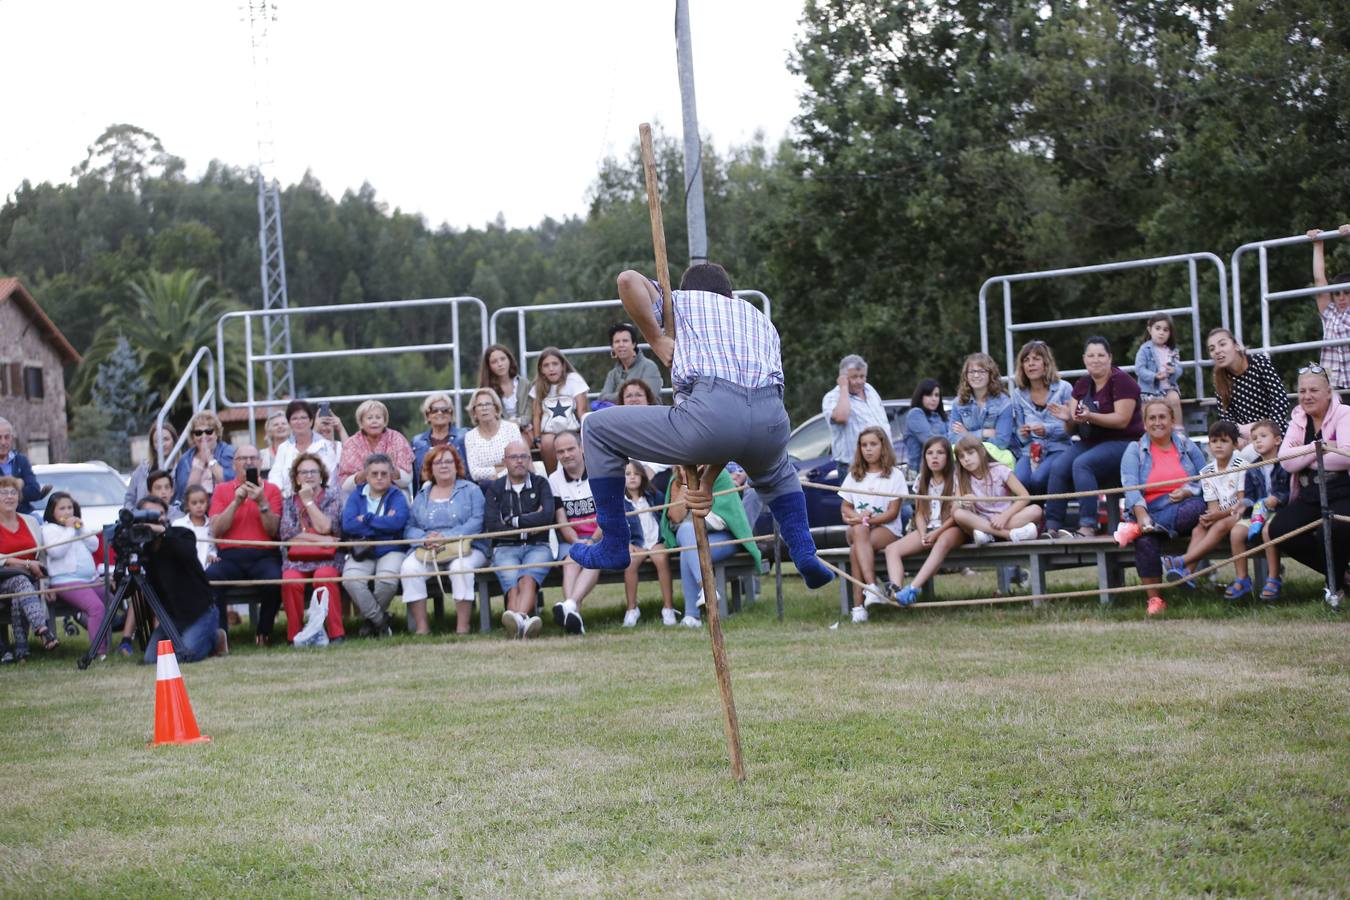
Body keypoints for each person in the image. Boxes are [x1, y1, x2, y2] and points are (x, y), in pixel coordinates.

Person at [569, 263, 834, 593]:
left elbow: (627, 281)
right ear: (729, 293)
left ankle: (614, 542)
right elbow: (740, 427)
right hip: (770, 419)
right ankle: (806, 552)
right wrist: (706, 482)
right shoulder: (760, 320)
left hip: (712, 413)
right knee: (778, 475)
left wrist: (655, 338)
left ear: (688, 290)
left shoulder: (680, 302)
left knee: (595, 428)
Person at [1046, 336, 1144, 537]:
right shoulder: (1082, 384)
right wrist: (1068, 419)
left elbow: (1122, 420)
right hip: (1091, 442)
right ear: (1084, 359)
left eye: (1100, 355)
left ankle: (1087, 525)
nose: (1095, 359)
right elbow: (1072, 430)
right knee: (1058, 466)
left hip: (1124, 442)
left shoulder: (1123, 381)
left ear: (1110, 358)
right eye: (1091, 355)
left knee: (1083, 464)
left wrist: (1091, 416)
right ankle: (1052, 526)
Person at [1121, 399, 1209, 617]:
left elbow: (1208, 477)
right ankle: (1155, 600)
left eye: (1162, 417)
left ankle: (1149, 527)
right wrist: (1141, 517)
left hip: (1184, 508)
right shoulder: (1135, 450)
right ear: (1144, 423)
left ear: (1172, 420)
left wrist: (1189, 490)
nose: (1157, 422)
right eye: (1152, 418)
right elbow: (1130, 486)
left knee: (1198, 506)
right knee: (1145, 540)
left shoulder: (1188, 447)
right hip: (1148, 511)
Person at [1269, 365, 1350, 599]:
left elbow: (1345, 456)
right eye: (1302, 391)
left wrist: (1305, 457)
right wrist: (1322, 449)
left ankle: (1333, 588)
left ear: (1328, 392)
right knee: (1280, 530)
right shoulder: (1298, 418)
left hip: (1343, 490)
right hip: (1309, 493)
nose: (1307, 396)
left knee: (1337, 527)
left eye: (1313, 390)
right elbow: (1286, 461)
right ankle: (1342, 576)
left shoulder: (1344, 413)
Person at [398, 445, 486, 636]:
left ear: (457, 465)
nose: (444, 466)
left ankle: (463, 627)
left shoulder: (472, 490)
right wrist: (424, 539)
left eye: (448, 461)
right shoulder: (422, 496)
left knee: (460, 567)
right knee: (409, 568)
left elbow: (477, 521)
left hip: (467, 547)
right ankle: (422, 628)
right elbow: (410, 527)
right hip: (430, 548)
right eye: (438, 462)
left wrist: (447, 537)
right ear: (430, 468)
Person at [659, 464, 760, 628]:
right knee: (687, 538)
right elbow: (675, 518)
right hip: (691, 539)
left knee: (688, 547)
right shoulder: (676, 480)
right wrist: (686, 482)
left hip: (725, 537)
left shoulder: (720, 475)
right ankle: (707, 590)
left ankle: (693, 615)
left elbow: (729, 514)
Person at [205, 445, 284, 646]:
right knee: (211, 577)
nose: (248, 463)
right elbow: (217, 530)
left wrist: (262, 503)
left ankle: (263, 632)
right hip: (230, 555)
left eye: (253, 458)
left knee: (275, 580)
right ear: (234, 464)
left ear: (260, 463)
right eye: (243, 459)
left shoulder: (272, 490)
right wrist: (236, 502)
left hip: (264, 555)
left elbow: (274, 531)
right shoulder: (222, 490)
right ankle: (220, 636)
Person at [132, 496, 227, 663]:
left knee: (185, 656)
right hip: (172, 617)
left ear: (166, 516)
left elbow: (186, 553)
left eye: (159, 513)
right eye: (149, 515)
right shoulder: (144, 549)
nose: (155, 519)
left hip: (200, 611)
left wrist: (162, 532)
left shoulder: (182, 534)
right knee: (151, 660)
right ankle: (197, 638)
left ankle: (215, 639)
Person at [1161, 421, 1248, 592]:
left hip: (1243, 513)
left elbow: (1241, 502)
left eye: (1224, 441)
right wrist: (1210, 517)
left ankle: (1181, 561)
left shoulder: (1242, 466)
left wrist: (1217, 516)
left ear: (1235, 444)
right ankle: (1187, 574)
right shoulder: (1207, 472)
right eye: (1214, 441)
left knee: (1220, 524)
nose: (1218, 446)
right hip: (1223, 515)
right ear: (1209, 445)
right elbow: (1213, 505)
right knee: (1199, 528)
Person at [482, 440, 552, 639]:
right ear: (505, 461)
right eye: (514, 457)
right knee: (512, 585)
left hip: (538, 545)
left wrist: (512, 521)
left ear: (530, 459)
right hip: (505, 547)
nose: (519, 461)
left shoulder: (541, 484)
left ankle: (517, 621)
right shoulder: (495, 489)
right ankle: (523, 623)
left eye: (523, 456)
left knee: (528, 579)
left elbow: (547, 516)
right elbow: (493, 525)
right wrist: (530, 524)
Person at [884, 436, 963, 607]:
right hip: (928, 528)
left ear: (948, 457)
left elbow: (956, 515)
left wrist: (936, 533)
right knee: (892, 549)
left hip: (952, 527)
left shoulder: (957, 478)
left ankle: (913, 589)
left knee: (941, 542)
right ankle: (896, 590)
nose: (934, 457)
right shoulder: (922, 479)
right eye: (930, 453)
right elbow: (919, 512)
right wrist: (922, 534)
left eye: (940, 453)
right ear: (924, 457)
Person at [839, 426, 907, 623]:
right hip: (858, 528)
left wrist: (866, 520)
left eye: (873, 444)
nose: (868, 449)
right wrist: (858, 517)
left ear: (883, 446)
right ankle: (872, 587)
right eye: (864, 445)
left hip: (887, 530)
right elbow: (845, 507)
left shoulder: (894, 475)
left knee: (855, 550)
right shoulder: (854, 475)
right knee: (859, 531)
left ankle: (858, 608)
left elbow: (893, 513)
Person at [278, 453, 346, 645]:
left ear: (322, 475)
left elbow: (327, 526)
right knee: (290, 580)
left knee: (324, 577)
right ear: (296, 477)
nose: (309, 476)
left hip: (328, 558)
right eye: (304, 472)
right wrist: (320, 538)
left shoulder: (333, 497)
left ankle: (336, 633)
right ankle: (295, 636)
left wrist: (308, 502)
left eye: (313, 471)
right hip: (296, 559)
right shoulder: (289, 502)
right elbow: (287, 534)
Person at [340, 453, 409, 637]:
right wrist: (382, 523)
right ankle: (380, 621)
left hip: (391, 549)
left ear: (391, 475)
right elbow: (348, 524)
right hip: (363, 550)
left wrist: (367, 519)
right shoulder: (356, 495)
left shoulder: (398, 496)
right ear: (366, 475)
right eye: (374, 473)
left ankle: (369, 623)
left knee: (386, 582)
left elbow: (397, 523)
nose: (379, 478)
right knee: (351, 580)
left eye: (384, 474)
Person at [1228, 419, 1290, 602]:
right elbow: (1249, 495)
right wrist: (1242, 504)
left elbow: (1291, 491)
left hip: (1280, 512)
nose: (1258, 441)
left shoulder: (1286, 464)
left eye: (1263, 436)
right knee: (1236, 532)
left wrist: (1278, 499)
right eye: (1254, 439)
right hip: (1258, 512)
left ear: (1277, 440)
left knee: (1267, 531)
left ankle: (1273, 577)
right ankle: (1242, 578)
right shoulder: (1252, 468)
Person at [40, 492, 108, 655]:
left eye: (70, 507)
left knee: (112, 602)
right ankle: (99, 651)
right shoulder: (49, 529)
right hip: (65, 580)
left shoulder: (78, 528)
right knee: (96, 607)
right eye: (62, 508)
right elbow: (56, 551)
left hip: (90, 579)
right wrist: (70, 530)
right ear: (52, 511)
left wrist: (81, 528)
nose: (67, 512)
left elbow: (93, 545)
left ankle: (109, 639)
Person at [0, 476, 59, 658]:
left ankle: (21, 650)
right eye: (3, 493)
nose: (9, 497)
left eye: (13, 492)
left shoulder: (31, 522)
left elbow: (42, 556)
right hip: (2, 580)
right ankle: (42, 629)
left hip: (31, 581)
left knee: (22, 588)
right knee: (20, 581)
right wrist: (25, 564)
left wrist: (47, 584)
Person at [1009, 340, 1075, 503]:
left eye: (1036, 359)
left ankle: (1040, 518)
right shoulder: (1018, 394)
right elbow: (1019, 434)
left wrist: (1047, 430)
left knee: (1038, 479)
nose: (1031, 364)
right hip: (1030, 450)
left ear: (1046, 363)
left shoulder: (1064, 388)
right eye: (1026, 360)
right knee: (1020, 481)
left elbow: (1073, 427)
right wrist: (1023, 433)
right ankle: (1029, 521)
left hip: (1058, 448)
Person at [548, 430, 600, 634]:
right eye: (560, 451)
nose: (566, 455)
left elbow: (608, 516)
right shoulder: (554, 479)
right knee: (572, 559)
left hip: (600, 537)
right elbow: (562, 520)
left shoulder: (598, 471)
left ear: (581, 448)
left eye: (570, 449)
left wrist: (592, 540)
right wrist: (577, 541)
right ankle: (573, 610)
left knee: (593, 558)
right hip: (572, 540)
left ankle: (570, 606)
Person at [1207, 328, 1292, 449]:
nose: (1217, 351)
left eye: (1222, 344)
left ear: (1236, 345)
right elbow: (1226, 417)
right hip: (1244, 437)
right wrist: (1238, 437)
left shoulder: (1259, 363)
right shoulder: (1220, 378)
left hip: (1273, 430)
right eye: (1212, 348)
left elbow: (1280, 400)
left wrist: (1266, 432)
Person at [951, 435, 1042, 545]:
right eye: (961, 456)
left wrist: (1004, 516)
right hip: (981, 521)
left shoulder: (1000, 470)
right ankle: (1010, 535)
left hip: (1005, 519)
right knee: (959, 514)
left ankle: (989, 535)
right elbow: (954, 510)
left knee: (1036, 510)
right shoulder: (961, 477)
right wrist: (962, 502)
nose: (966, 459)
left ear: (982, 452)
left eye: (970, 453)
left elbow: (1025, 496)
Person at [620, 460, 675, 626]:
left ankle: (668, 608)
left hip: (655, 540)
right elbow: (616, 526)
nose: (632, 478)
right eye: (628, 474)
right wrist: (626, 543)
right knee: (629, 564)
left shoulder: (653, 495)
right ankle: (632, 609)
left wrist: (665, 538)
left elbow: (665, 515)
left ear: (643, 476)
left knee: (661, 559)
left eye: (636, 474)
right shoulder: (620, 502)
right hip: (636, 543)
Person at [822, 354, 889, 477]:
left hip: (882, 462)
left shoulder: (870, 390)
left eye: (862, 376)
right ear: (843, 377)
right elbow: (841, 417)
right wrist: (843, 388)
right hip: (853, 466)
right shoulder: (832, 397)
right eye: (854, 377)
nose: (859, 381)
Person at [531, 347, 590, 473]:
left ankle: (580, 474)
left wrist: (585, 433)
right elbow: (536, 415)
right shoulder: (538, 386)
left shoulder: (573, 380)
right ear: (541, 370)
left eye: (555, 364)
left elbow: (582, 410)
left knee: (573, 441)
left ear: (563, 366)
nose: (551, 368)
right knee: (546, 442)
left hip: (572, 428)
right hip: (550, 431)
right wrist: (537, 438)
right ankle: (553, 477)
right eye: (546, 365)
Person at [336, 400, 414, 493]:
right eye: (369, 418)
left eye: (378, 417)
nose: (374, 421)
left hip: (394, 492)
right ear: (361, 423)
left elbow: (407, 479)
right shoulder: (351, 443)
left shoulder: (397, 438)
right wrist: (365, 473)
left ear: (385, 421)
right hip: (361, 494)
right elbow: (345, 486)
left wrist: (389, 470)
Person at [268, 400, 341, 498]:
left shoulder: (326, 446)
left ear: (311, 421)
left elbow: (330, 480)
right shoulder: (284, 448)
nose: (299, 422)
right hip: (289, 502)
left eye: (303, 418)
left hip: (321, 502)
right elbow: (275, 478)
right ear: (289, 423)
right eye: (294, 418)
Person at [1307, 225, 1350, 389]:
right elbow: (1319, 279)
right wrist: (1318, 244)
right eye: (1337, 293)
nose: (1341, 297)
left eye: (1346, 293)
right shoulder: (1329, 312)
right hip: (1333, 384)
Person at [948, 353, 1013, 453]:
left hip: (995, 459)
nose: (976, 375)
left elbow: (1002, 442)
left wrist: (967, 435)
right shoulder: (958, 403)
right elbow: (953, 439)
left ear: (991, 374)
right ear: (966, 375)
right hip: (967, 458)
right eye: (972, 371)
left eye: (981, 371)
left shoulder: (1004, 403)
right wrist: (984, 433)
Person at [173, 410, 235, 507]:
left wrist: (210, 459)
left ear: (217, 433)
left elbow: (228, 483)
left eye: (209, 431)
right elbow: (185, 493)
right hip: (193, 508)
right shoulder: (185, 459)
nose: (204, 436)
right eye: (198, 433)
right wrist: (200, 462)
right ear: (193, 436)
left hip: (223, 506)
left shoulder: (229, 452)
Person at [410, 392, 470, 492]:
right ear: (428, 415)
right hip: (428, 493)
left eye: (445, 410)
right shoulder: (417, 442)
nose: (440, 413)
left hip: (460, 491)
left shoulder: (464, 436)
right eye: (434, 410)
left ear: (451, 415)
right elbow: (416, 479)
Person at [1134, 314, 1185, 428]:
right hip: (1150, 391)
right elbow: (1139, 369)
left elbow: (1179, 368)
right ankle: (1146, 433)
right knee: (1148, 410)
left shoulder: (1172, 351)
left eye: (1165, 330)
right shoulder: (1145, 349)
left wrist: (1174, 371)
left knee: (1175, 398)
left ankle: (1178, 429)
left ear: (1170, 333)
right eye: (1157, 328)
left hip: (1168, 388)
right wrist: (1154, 376)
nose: (1161, 332)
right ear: (1150, 330)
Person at [463, 388, 523, 483]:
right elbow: (475, 473)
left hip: (513, 482)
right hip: (485, 487)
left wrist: (498, 476)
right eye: (480, 405)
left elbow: (519, 462)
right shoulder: (470, 436)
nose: (484, 408)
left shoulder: (511, 428)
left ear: (496, 409)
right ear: (474, 413)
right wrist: (499, 467)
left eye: (488, 404)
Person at [598, 322, 664, 404]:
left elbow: (649, 396)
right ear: (612, 347)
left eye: (625, 341)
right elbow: (602, 398)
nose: (621, 345)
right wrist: (629, 395)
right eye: (617, 342)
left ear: (633, 344)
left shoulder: (649, 367)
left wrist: (617, 397)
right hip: (621, 416)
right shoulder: (613, 373)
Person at [479, 344, 533, 440]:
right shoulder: (486, 390)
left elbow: (530, 413)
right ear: (489, 366)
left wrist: (518, 422)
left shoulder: (524, 384)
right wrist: (510, 425)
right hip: (498, 433)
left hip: (525, 430)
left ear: (509, 360)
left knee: (523, 439)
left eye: (503, 359)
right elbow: (489, 418)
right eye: (494, 362)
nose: (500, 364)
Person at [124, 422, 179, 510]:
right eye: (157, 441)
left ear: (174, 441)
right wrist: (135, 514)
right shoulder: (142, 469)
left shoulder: (181, 469)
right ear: (152, 445)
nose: (162, 444)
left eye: (166, 439)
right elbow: (129, 499)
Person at [0, 418, 45, 515]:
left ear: (12, 438)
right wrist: (18, 485)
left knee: (40, 524)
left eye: (6, 437)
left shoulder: (21, 460)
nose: (3, 442)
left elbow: (35, 491)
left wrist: (6, 492)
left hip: (24, 514)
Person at [902, 379, 947, 475]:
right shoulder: (915, 414)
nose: (934, 399)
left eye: (936, 395)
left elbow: (956, 438)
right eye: (929, 395)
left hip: (943, 470)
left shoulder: (940, 416)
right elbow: (931, 441)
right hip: (920, 474)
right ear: (920, 396)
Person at [172, 485, 216, 571]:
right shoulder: (178, 524)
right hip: (184, 570)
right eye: (194, 503)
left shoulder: (212, 525)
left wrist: (213, 555)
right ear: (187, 505)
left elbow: (213, 547)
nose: (199, 506)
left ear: (207, 503)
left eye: (202, 502)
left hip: (206, 570)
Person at [259, 410, 290, 475]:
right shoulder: (261, 455)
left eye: (284, 423)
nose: (280, 426)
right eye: (276, 425)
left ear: (290, 428)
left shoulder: (297, 451)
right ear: (269, 431)